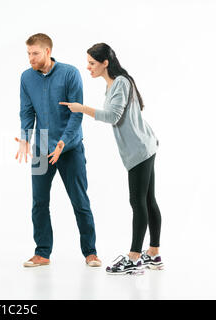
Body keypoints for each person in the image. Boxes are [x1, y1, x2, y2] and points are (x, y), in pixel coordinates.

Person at [59, 43, 164, 275]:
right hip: (143, 147)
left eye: (92, 63)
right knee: (147, 200)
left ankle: (135, 257)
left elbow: (113, 116)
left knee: (138, 201)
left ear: (105, 63)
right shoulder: (115, 84)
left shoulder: (120, 83)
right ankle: (154, 254)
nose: (88, 67)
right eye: (87, 63)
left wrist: (81, 108)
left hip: (139, 150)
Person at [15, 33, 101, 268]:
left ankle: (90, 253)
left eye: (35, 53)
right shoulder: (26, 78)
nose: (31, 58)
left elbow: (77, 113)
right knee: (39, 203)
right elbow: (27, 111)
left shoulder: (69, 73)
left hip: (70, 148)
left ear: (48, 52)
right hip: (42, 147)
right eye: (28, 53)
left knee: (79, 201)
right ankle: (42, 253)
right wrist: (25, 138)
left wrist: (63, 142)